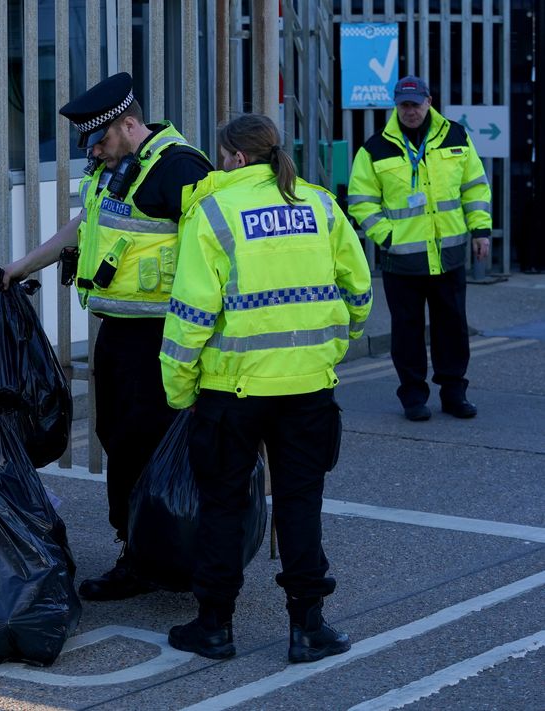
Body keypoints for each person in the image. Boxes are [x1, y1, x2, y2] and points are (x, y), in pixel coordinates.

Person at [160, 114, 373, 664]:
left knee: (223, 507)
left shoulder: (214, 211)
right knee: (300, 505)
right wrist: (335, 344)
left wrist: (180, 390)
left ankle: (214, 626)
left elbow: (190, 316)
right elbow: (358, 288)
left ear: (233, 157)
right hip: (308, 387)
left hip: (232, 391)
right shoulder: (322, 205)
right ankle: (308, 628)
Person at [3, 72, 213, 601]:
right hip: (119, 335)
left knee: (151, 447)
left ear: (129, 122)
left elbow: (216, 249)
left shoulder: (179, 168)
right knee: (118, 442)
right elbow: (85, 224)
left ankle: (168, 555)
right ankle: (138, 549)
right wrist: (25, 263)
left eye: (100, 139)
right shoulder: (114, 167)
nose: (93, 151)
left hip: (164, 338)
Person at [348, 75, 492, 422]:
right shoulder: (374, 148)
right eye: (403, 104)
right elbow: (360, 201)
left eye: (415, 103)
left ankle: (454, 393)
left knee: (453, 328)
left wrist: (481, 231)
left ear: (429, 101)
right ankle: (413, 396)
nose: (410, 111)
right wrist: (389, 237)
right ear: (396, 106)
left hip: (449, 255)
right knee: (407, 332)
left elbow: (475, 186)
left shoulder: (456, 136)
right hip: (403, 260)